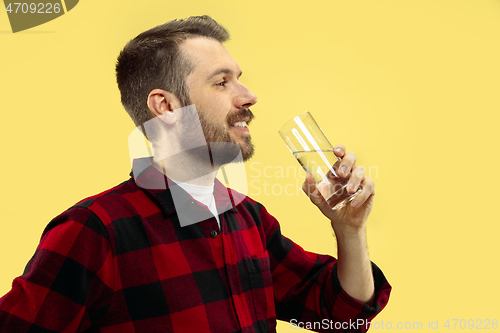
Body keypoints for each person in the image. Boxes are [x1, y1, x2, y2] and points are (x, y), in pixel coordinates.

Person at [0, 15, 391, 332]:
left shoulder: (249, 218)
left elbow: (342, 318)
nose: (249, 95)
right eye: (222, 82)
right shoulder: (96, 231)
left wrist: (350, 230)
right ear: (166, 107)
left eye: (239, 78)